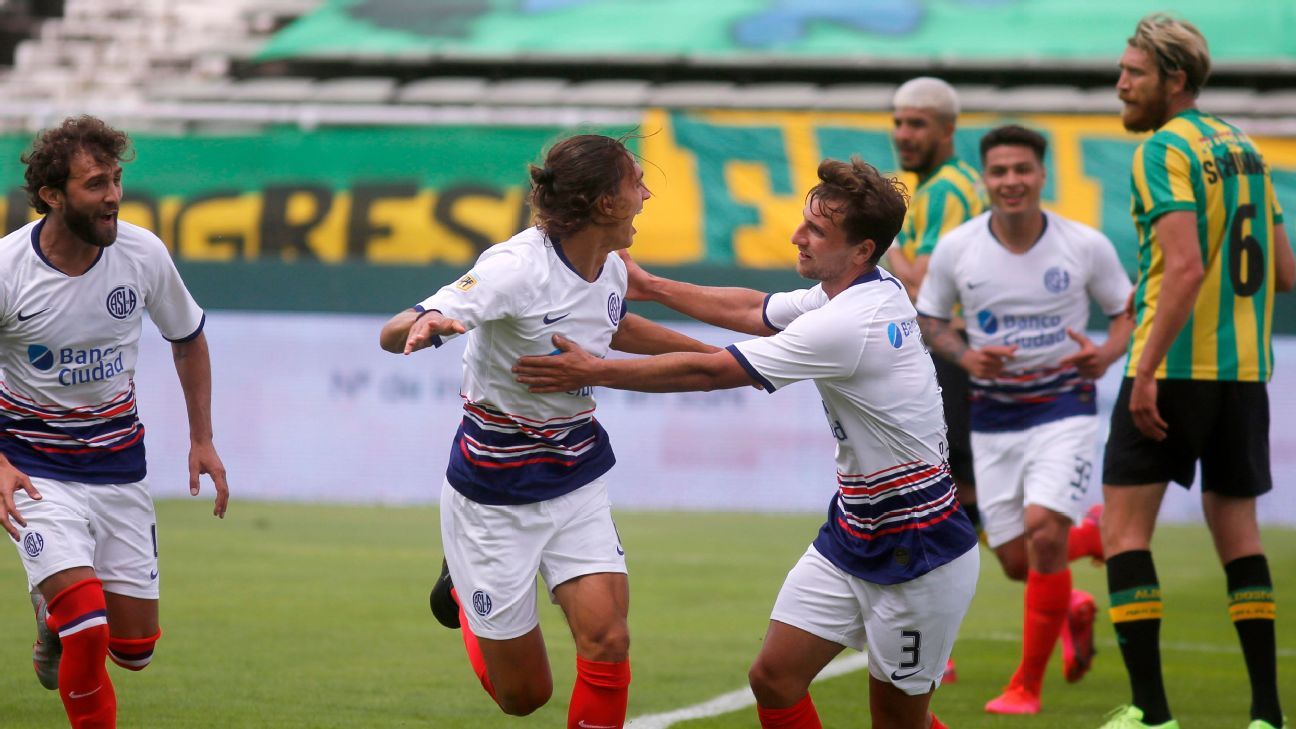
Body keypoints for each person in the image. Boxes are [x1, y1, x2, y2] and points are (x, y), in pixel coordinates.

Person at [514, 157, 980, 729]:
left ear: (860, 249)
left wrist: (596, 369)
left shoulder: (849, 322)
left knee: (896, 721)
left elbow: (713, 374)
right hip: (855, 529)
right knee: (775, 681)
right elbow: (753, 311)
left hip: (921, 544)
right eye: (803, 220)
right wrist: (652, 286)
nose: (797, 236)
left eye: (816, 232)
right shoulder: (856, 289)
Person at [379, 134, 715, 729]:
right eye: (635, 182)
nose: (646, 193)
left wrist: (722, 358)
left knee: (609, 639)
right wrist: (427, 321)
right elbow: (402, 324)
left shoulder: (607, 264)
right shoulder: (515, 269)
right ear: (604, 202)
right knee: (524, 697)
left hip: (575, 477)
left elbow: (615, 325)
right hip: (494, 496)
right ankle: (462, 588)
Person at [0, 115, 230, 729]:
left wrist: (202, 439)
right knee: (86, 627)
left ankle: (52, 615)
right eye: (96, 184)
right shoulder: (6, 270)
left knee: (132, 651)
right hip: (34, 472)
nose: (113, 197)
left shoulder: (142, 253)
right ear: (52, 196)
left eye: (117, 180)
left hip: (118, 468)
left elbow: (187, 338)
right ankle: (63, 613)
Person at [1099, 14, 1294, 729]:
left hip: (1173, 363)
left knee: (1124, 532)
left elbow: (1184, 265)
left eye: (1133, 72)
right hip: (1243, 371)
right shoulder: (1245, 148)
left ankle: (1151, 715)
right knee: (1239, 535)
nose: (1120, 84)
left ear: (1174, 80)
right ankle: (1267, 715)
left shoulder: (1162, 149)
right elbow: (1284, 271)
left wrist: (1145, 370)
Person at [914, 124, 1133, 716]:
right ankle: (1096, 535)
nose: (1011, 181)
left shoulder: (1083, 245)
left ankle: (1026, 686)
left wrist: (1106, 355)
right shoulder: (959, 248)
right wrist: (965, 354)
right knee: (1019, 559)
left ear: (1042, 175)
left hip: (1063, 406)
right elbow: (931, 319)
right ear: (986, 179)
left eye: (1022, 170)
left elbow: (1125, 312)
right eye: (1000, 171)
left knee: (1041, 530)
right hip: (993, 417)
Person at [884, 79, 988, 617]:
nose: (904, 134)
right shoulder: (954, 184)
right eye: (899, 122)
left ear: (948, 129)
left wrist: (884, 241)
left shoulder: (945, 190)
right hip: (961, 346)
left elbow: (924, 285)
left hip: (953, 348)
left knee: (940, 487)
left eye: (917, 123)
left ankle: (931, 621)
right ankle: (1066, 579)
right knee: (966, 491)